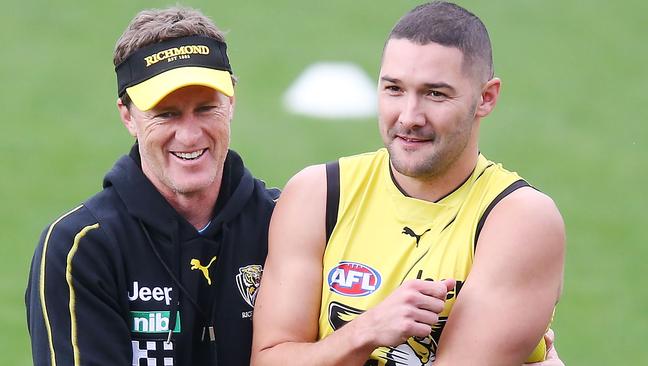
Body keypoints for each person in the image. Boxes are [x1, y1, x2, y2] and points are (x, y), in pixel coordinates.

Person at [251, 1, 565, 365]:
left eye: (435, 94)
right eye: (394, 89)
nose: (409, 117)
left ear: (486, 98)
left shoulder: (519, 220)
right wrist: (365, 332)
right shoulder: (318, 193)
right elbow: (270, 359)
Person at [25, 6, 278, 366]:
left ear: (232, 103)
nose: (190, 135)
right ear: (127, 115)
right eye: (167, 114)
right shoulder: (80, 247)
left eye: (206, 108)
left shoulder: (287, 223)